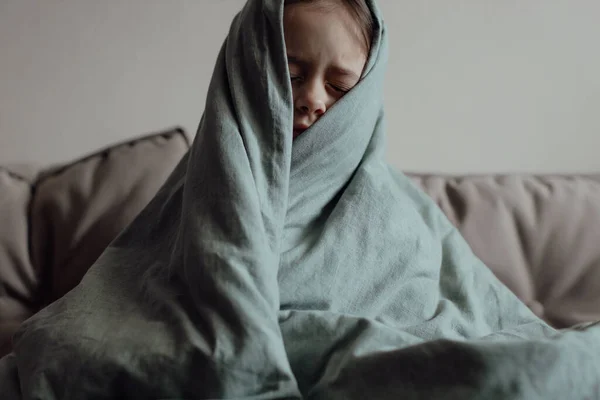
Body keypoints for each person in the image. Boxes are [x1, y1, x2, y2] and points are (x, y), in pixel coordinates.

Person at [2, 0, 600, 399]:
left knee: (542, 368)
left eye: (340, 86)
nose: (313, 99)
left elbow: (486, 317)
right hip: (265, 356)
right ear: (248, 69)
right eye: (289, 72)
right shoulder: (200, 193)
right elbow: (125, 319)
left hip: (395, 361)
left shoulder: (402, 210)